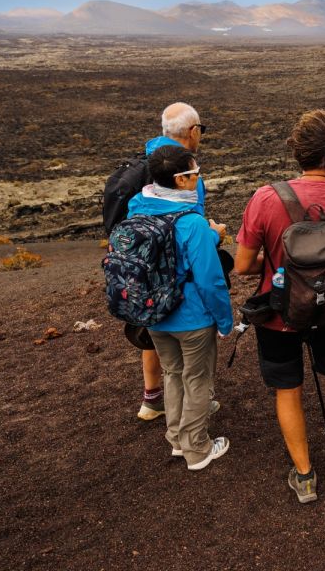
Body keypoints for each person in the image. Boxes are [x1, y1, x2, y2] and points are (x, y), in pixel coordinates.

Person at [234, 110, 325, 504]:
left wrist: (279, 263)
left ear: (298, 153)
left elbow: (243, 266)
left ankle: (305, 475)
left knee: (287, 390)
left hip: (278, 313)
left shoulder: (266, 197)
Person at [126, 145, 233, 470]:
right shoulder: (192, 223)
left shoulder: (137, 210)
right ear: (182, 180)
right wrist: (225, 321)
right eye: (196, 173)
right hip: (193, 318)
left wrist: (209, 238)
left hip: (156, 314)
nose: (199, 178)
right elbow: (210, 280)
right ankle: (197, 449)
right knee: (197, 378)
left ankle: (176, 439)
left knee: (172, 373)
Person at [137, 102, 224, 421]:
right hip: (179, 285)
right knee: (190, 351)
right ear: (193, 131)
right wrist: (214, 235)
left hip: (143, 272)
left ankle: (152, 399)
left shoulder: (149, 160)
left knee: (155, 332)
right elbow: (191, 235)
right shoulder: (185, 172)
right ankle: (194, 425)